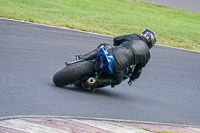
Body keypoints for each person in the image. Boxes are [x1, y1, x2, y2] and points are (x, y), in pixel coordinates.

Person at [76, 29, 157, 89]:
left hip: (110, 52)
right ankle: (93, 82)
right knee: (117, 80)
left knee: (103, 46)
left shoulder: (134, 36)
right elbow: (138, 70)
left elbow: (116, 39)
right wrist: (132, 79)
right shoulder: (147, 55)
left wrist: (117, 45)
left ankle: (83, 57)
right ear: (151, 44)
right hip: (118, 65)